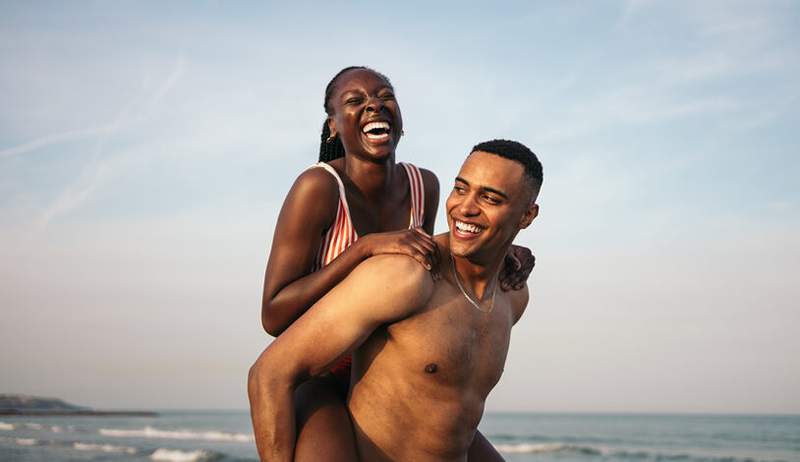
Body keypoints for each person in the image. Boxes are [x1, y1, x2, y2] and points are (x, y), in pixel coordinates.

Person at [259, 67, 532, 460]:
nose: (374, 104)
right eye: (354, 101)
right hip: (323, 370)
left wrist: (505, 249)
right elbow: (273, 316)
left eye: (385, 96)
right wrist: (362, 249)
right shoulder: (318, 187)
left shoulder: (425, 185)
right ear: (333, 126)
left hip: (383, 373)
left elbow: (432, 265)